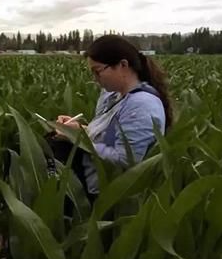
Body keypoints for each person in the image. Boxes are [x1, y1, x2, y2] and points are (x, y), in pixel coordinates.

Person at [49, 34, 173, 205]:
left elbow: (127, 159)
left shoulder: (142, 105)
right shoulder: (114, 95)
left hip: (105, 195)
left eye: (98, 71)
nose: (95, 78)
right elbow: (107, 137)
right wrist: (76, 129)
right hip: (90, 174)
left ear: (123, 65)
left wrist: (78, 138)